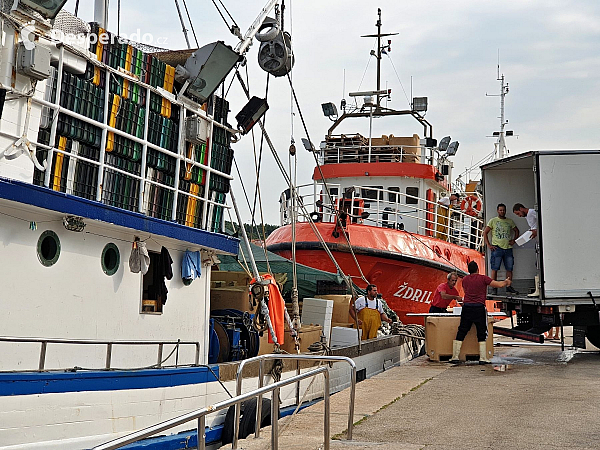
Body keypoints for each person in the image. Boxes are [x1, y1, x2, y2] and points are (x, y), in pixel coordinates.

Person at [450, 261, 512, 365]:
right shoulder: (483, 278)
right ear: (477, 269)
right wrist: (506, 282)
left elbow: (466, 291)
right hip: (479, 307)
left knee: (462, 330)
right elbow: (498, 285)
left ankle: (455, 356)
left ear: (469, 270)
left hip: (467, 307)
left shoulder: (464, 280)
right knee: (481, 331)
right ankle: (483, 358)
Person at [483, 203, 520, 294]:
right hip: (497, 248)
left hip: (508, 248)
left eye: (503, 210)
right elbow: (485, 233)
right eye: (500, 210)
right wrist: (489, 245)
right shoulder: (493, 221)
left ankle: (509, 286)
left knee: (509, 268)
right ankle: (494, 288)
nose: (502, 211)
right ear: (497, 211)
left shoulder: (510, 221)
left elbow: (516, 230)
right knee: (495, 268)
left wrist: (514, 240)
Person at [513, 203, 540, 296]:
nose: (519, 216)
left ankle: (539, 288)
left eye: (518, 213)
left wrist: (537, 230)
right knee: (537, 263)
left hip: (540, 240)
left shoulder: (532, 213)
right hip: (537, 241)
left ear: (521, 209)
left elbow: (542, 220)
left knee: (538, 263)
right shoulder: (528, 216)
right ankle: (538, 288)